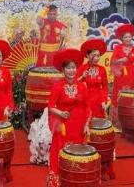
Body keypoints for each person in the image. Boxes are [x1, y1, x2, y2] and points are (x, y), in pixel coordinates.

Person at [47, 48, 90, 186]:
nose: (71, 71)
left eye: (73, 68)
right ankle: (60, 179)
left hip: (79, 123)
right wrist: (60, 113)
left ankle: (76, 178)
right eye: (68, 68)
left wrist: (87, 124)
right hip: (64, 125)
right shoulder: (57, 87)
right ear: (63, 70)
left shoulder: (82, 86)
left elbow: (87, 107)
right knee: (62, 151)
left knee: (77, 152)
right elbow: (50, 106)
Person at [110, 24, 134, 125]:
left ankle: (128, 119)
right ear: (121, 38)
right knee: (119, 96)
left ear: (132, 37)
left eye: (129, 36)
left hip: (131, 76)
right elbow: (112, 61)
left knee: (129, 96)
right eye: (125, 37)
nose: (128, 38)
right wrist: (120, 60)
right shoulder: (118, 48)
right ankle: (117, 120)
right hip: (120, 75)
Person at [78, 38, 109, 119]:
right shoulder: (82, 68)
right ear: (88, 56)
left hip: (99, 100)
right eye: (93, 56)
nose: (96, 58)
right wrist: (82, 77)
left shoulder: (102, 69)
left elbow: (105, 87)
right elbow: (75, 85)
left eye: (98, 56)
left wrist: (104, 101)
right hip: (85, 99)